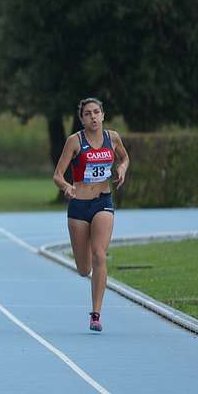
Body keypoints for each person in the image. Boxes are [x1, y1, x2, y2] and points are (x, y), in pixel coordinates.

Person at [52, 97, 130, 332]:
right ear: (82, 119)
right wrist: (66, 187)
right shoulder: (74, 141)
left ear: (103, 115)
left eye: (96, 112)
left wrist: (122, 167)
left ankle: (96, 314)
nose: (93, 117)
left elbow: (125, 157)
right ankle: (86, 264)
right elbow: (57, 175)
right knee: (84, 269)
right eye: (88, 114)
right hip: (78, 206)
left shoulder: (112, 138)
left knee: (99, 255)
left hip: (103, 202)